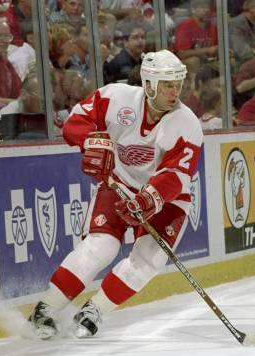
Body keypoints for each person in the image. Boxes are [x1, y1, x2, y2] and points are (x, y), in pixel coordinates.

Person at [27, 50, 203, 339]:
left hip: (166, 199)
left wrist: (148, 198)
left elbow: (176, 175)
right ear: (149, 84)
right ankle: (45, 309)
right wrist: (90, 141)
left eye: (178, 84)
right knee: (100, 247)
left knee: (149, 259)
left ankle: (94, 310)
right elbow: (75, 122)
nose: (175, 91)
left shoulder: (187, 124)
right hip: (118, 183)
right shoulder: (116, 98)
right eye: (168, 84)